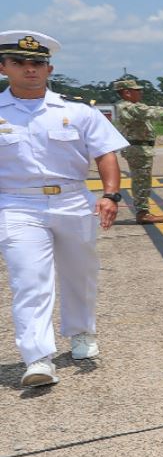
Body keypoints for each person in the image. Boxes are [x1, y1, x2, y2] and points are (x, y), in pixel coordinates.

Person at [0, 30, 128, 388]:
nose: (30, 69)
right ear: (3, 67)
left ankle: (82, 333)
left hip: (73, 199)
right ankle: (38, 357)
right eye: (20, 63)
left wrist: (111, 195)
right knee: (29, 279)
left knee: (80, 272)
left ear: (49, 68)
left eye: (38, 63)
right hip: (16, 202)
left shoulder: (76, 111)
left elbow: (105, 153)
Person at [111, 77, 163, 223]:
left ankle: (143, 211)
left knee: (142, 180)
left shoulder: (132, 105)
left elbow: (151, 108)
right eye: (137, 90)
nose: (140, 93)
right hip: (138, 149)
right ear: (127, 93)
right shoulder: (128, 107)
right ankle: (142, 213)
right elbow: (151, 113)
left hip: (141, 148)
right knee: (141, 181)